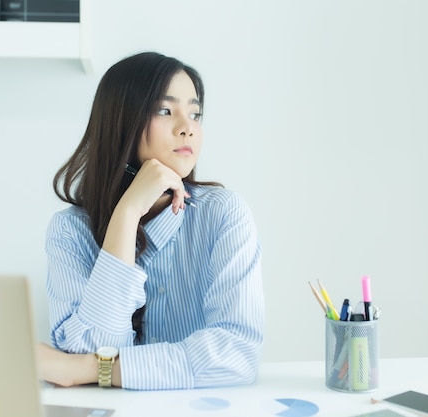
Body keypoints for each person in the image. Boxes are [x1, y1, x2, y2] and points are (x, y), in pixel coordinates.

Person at [37, 51, 264, 390]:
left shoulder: (223, 214)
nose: (187, 128)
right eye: (165, 110)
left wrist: (87, 370)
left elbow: (236, 355)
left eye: (195, 113)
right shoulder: (70, 231)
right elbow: (90, 347)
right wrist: (126, 216)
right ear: (122, 121)